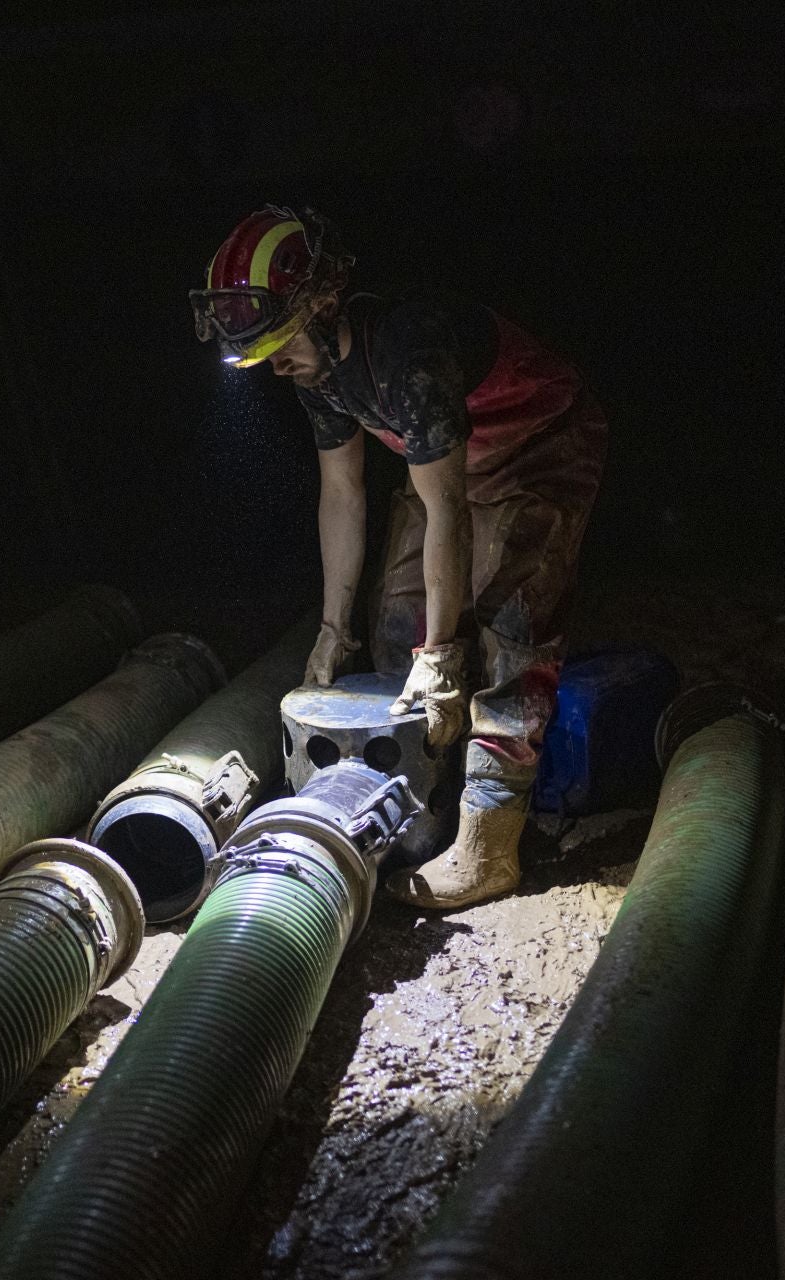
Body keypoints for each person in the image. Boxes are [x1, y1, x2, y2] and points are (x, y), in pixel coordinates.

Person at [191, 205, 608, 908]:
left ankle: (488, 845)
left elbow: (448, 511)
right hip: (440, 464)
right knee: (396, 627)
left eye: (280, 346)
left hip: (537, 446)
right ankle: (414, 817)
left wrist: (444, 654)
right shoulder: (315, 374)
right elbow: (343, 494)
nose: (275, 367)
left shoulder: (408, 351)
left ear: (323, 305)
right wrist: (332, 629)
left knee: (510, 629)